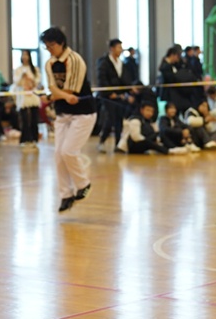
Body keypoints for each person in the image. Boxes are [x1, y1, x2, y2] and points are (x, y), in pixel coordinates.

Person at [41, 27, 98, 213]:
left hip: (83, 114)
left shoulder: (74, 60)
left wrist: (51, 97)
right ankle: (66, 195)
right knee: (58, 155)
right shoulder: (49, 63)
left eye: (52, 45)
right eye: (46, 46)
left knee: (69, 151)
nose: (49, 49)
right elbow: (54, 88)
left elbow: (69, 90)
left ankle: (83, 184)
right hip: (63, 113)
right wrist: (59, 96)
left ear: (61, 43)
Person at [96, 38, 134, 151]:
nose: (120, 50)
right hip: (108, 97)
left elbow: (124, 79)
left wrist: (129, 90)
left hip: (119, 96)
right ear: (112, 48)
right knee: (110, 119)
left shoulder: (121, 63)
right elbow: (102, 79)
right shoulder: (104, 63)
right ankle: (102, 141)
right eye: (119, 47)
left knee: (119, 120)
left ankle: (118, 144)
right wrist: (109, 93)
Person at [120, 102, 188, 155]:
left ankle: (173, 147)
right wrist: (151, 143)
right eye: (148, 110)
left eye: (151, 111)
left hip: (145, 142)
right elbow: (136, 137)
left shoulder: (150, 121)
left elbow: (155, 133)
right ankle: (168, 151)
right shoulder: (135, 120)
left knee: (160, 134)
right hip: (132, 145)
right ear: (142, 110)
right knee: (149, 141)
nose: (150, 113)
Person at [13, 49, 41, 148]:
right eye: (23, 55)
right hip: (23, 96)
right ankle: (25, 139)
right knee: (24, 118)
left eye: (26, 55)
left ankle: (34, 138)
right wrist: (22, 76)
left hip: (33, 95)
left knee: (34, 118)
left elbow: (37, 80)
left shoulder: (35, 69)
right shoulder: (18, 70)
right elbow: (16, 82)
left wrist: (31, 80)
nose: (25, 57)